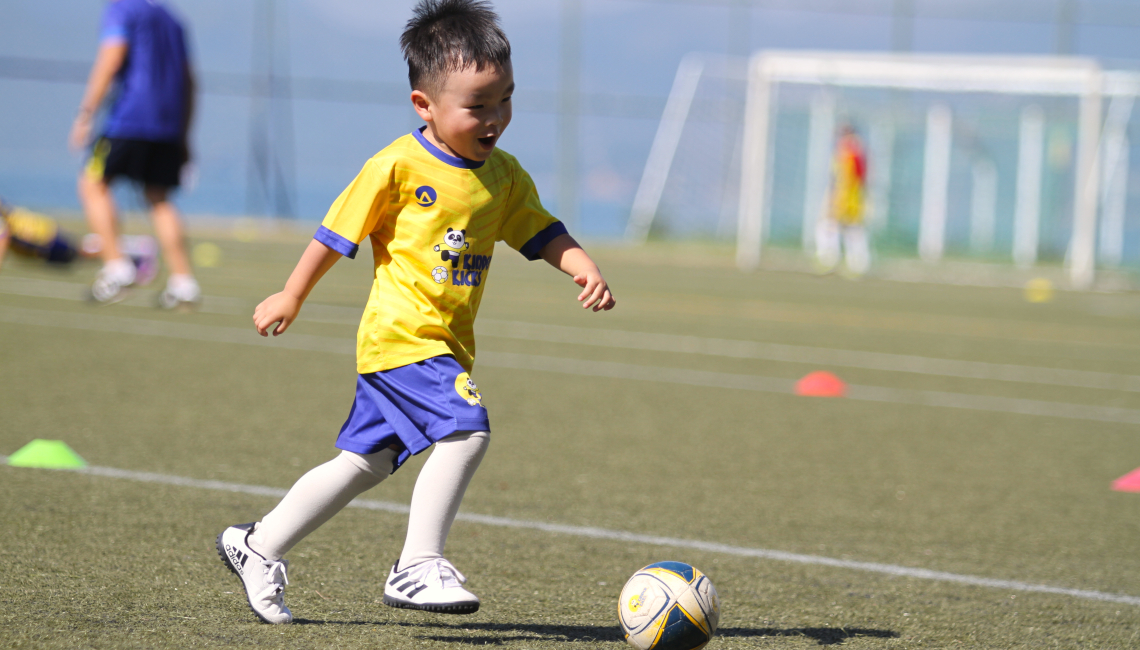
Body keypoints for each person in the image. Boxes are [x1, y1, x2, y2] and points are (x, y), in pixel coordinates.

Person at [215, 0, 616, 625]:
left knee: (362, 464)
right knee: (467, 429)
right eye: (477, 105)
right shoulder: (395, 167)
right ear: (424, 105)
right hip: (403, 337)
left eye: (505, 99)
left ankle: (257, 545)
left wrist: (580, 263)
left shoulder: (504, 177)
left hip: (443, 343)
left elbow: (539, 231)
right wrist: (292, 293)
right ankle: (416, 564)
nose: (495, 118)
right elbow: (334, 235)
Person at [69, 0, 201, 308]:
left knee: (92, 183)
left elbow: (112, 57)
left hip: (129, 117)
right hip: (168, 122)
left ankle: (117, 266)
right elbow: (189, 81)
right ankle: (184, 283)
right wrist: (183, 133)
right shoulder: (172, 19)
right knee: (159, 198)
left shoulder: (122, 8)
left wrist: (86, 112)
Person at [0, 197, 157, 282]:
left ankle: (135, 248)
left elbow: (3, 234)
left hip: (37, 236)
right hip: (29, 241)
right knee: (78, 255)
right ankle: (129, 253)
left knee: (79, 252)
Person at [815, 123, 871, 277]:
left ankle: (830, 259)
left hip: (846, 196)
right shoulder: (855, 150)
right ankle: (857, 264)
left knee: (830, 226)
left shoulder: (849, 150)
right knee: (851, 229)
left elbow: (848, 177)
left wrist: (836, 196)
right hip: (852, 195)